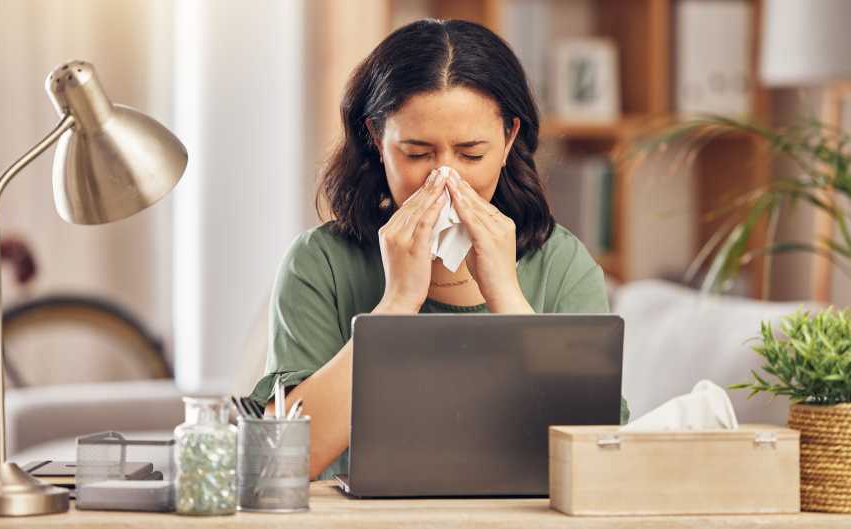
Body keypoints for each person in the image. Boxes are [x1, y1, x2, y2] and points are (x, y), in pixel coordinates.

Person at [250, 18, 628, 481]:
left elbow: (596, 463)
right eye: (416, 153)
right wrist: (395, 306)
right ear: (376, 138)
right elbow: (275, 465)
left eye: (471, 154)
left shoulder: (562, 264)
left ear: (509, 139)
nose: (444, 179)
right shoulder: (320, 263)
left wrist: (507, 296)